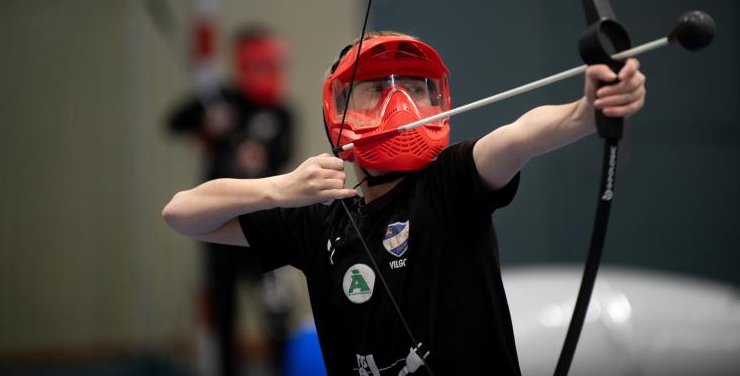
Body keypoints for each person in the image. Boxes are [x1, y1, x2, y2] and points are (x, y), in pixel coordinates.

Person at [163, 31, 646, 375]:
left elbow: (517, 138)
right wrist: (280, 190)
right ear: (339, 110)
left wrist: (587, 112)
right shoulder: (318, 220)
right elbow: (182, 213)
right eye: (376, 90)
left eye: (417, 89)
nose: (401, 105)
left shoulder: (451, 183)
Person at [165, 25, 295, 376]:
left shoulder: (281, 111)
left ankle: (280, 369)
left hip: (264, 226)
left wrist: (260, 155)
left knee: (276, 312)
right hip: (219, 227)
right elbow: (174, 121)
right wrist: (208, 123)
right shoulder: (222, 100)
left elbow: (284, 153)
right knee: (223, 314)